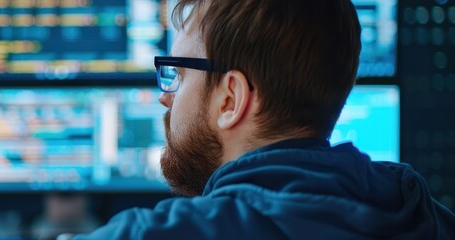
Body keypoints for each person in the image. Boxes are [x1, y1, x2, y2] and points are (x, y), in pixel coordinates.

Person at [71, 0, 455, 239]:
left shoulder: (152, 235)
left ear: (232, 99)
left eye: (179, 75)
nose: (164, 96)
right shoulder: (421, 212)